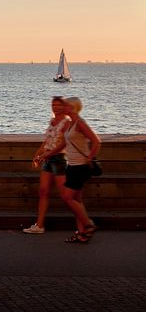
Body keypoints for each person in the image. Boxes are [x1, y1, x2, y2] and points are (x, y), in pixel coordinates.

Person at [23, 96, 71, 234]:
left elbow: (65, 143)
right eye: (53, 105)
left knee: (66, 195)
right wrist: (37, 154)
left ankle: (83, 221)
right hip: (48, 159)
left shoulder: (67, 122)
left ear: (64, 106)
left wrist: (48, 154)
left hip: (59, 159)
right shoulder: (52, 121)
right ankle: (39, 225)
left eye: (58, 105)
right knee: (43, 191)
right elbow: (47, 141)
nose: (55, 107)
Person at [60, 97, 100, 243]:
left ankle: (89, 225)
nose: (63, 108)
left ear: (72, 107)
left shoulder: (80, 123)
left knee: (67, 197)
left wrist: (90, 158)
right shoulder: (70, 123)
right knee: (77, 199)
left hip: (80, 167)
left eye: (66, 106)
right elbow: (66, 143)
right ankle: (82, 234)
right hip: (71, 165)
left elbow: (96, 141)